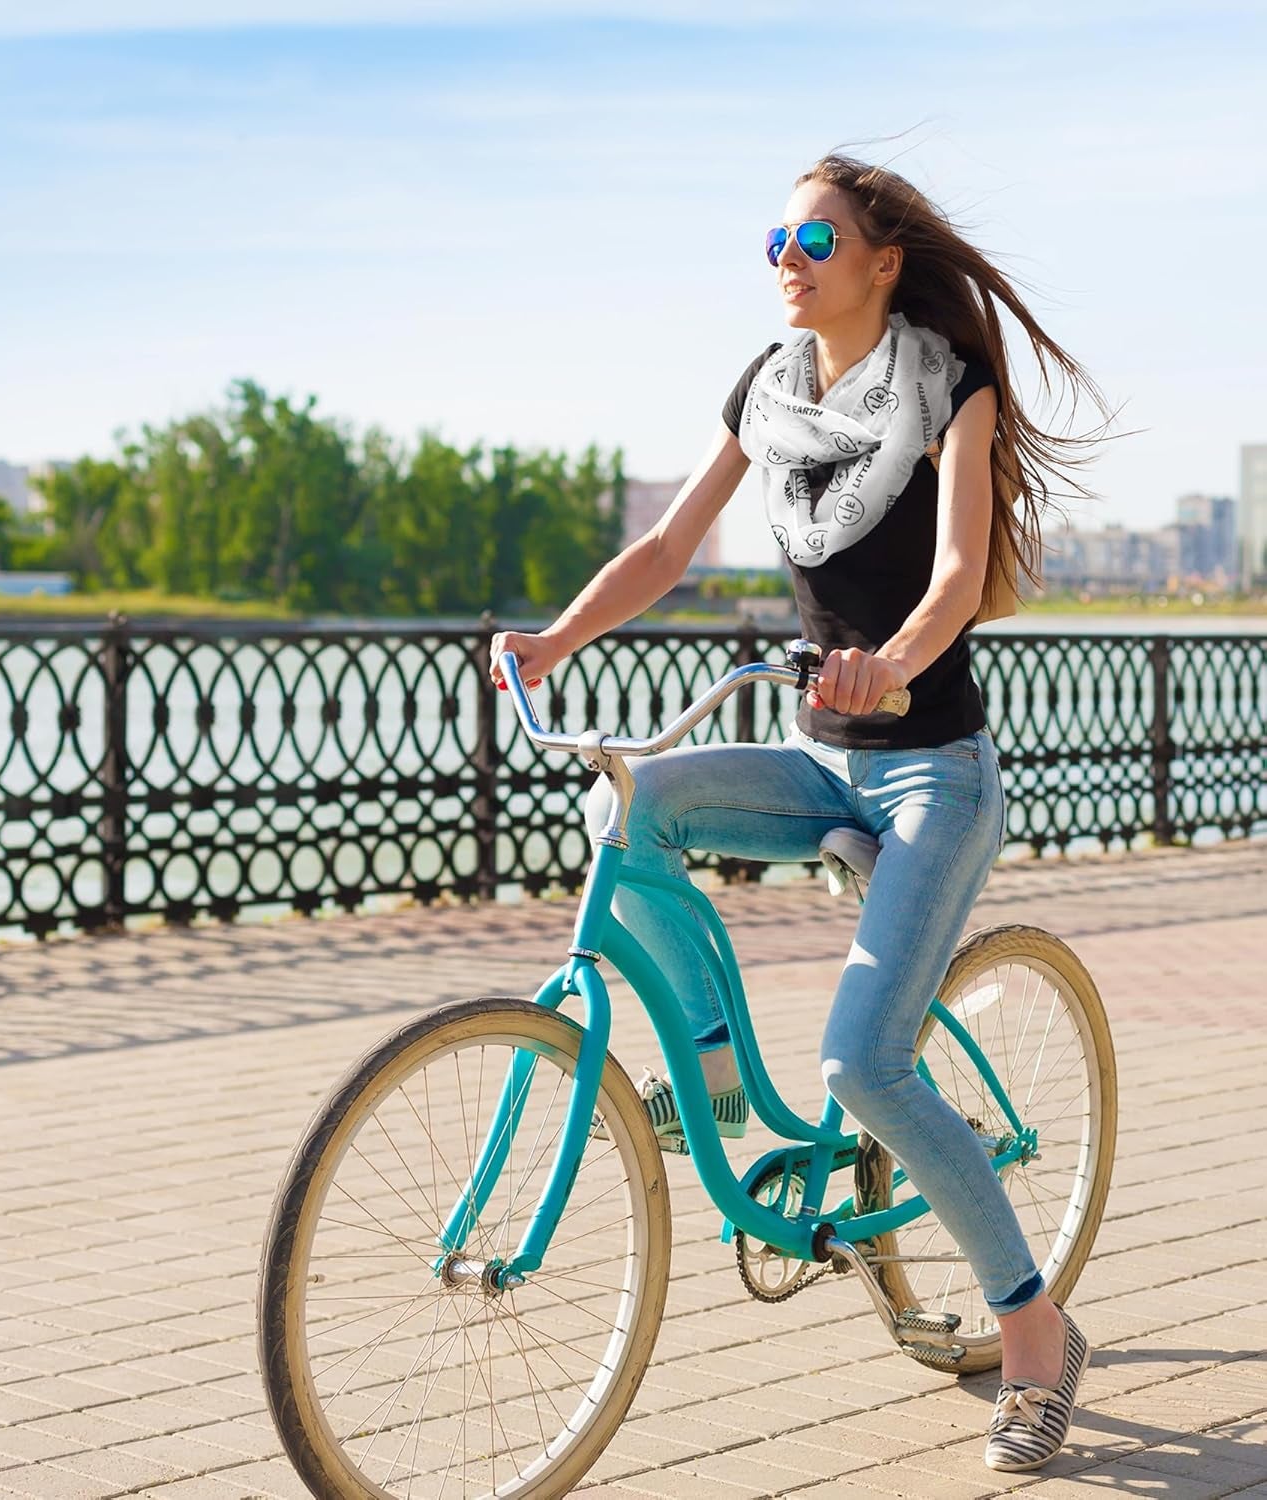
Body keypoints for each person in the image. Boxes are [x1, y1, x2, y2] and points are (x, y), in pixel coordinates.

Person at [488, 153, 1109, 1474]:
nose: (787, 259)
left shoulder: (950, 385)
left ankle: (1036, 1333)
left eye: (815, 241)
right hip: (819, 760)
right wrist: (553, 642)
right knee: (638, 807)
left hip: (933, 772)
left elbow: (956, 574)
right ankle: (710, 1085)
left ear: (882, 262)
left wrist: (895, 663)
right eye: (776, 239)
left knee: (862, 1067)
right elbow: (668, 551)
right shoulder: (767, 390)